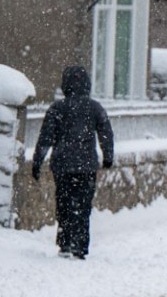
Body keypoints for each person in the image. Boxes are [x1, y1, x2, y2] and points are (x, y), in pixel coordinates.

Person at [31, 65, 116, 259]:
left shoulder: (57, 109)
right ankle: (80, 243)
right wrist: (108, 156)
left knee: (64, 202)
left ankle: (65, 241)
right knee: (83, 204)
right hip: (86, 165)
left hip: (62, 165)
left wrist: (37, 162)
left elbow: (45, 138)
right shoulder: (95, 108)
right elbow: (105, 133)